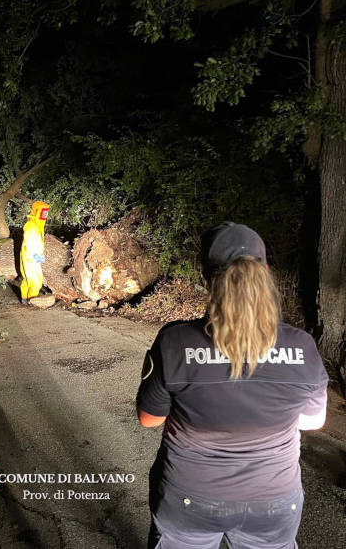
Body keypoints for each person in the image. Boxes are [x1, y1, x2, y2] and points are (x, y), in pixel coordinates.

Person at [136, 221, 328, 549]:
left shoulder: (174, 342)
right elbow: (313, 422)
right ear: (265, 272)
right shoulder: (302, 346)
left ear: (207, 280)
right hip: (274, 501)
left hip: (190, 499)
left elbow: (149, 419)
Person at [19, 200, 49, 303]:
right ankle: (32, 301)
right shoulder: (32, 226)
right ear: (37, 212)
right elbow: (29, 243)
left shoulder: (37, 225)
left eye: (46, 213)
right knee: (36, 281)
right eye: (43, 212)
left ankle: (25, 299)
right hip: (30, 256)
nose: (44, 215)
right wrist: (36, 255)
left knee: (28, 279)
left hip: (30, 256)